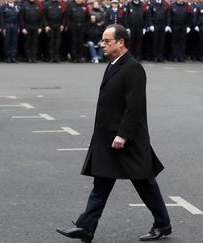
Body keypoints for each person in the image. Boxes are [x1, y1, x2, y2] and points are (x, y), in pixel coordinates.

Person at [56, 24, 171, 243]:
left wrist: (123, 135)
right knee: (101, 184)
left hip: (127, 139)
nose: (102, 45)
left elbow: (134, 107)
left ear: (121, 42)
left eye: (106, 41)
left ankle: (163, 224)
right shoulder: (113, 65)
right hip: (108, 137)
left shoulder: (133, 68)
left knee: (145, 182)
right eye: (102, 41)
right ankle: (86, 227)